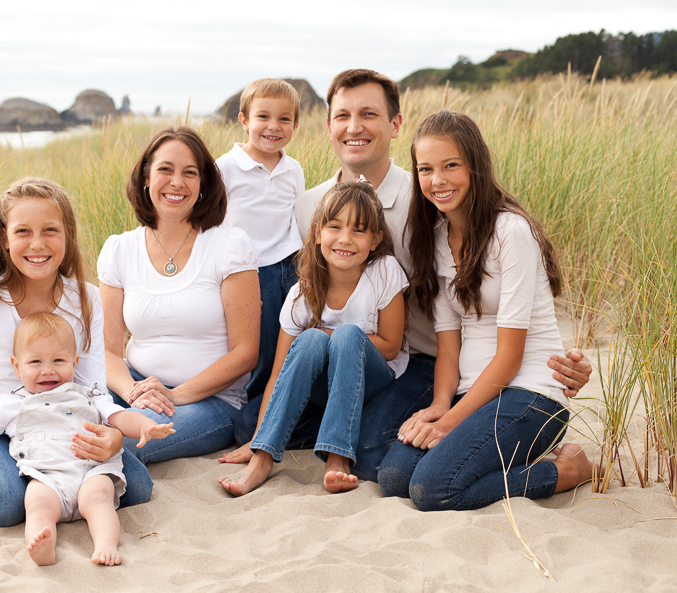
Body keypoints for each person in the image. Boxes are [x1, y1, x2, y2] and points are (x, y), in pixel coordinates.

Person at [227, 69, 593, 480]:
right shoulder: (309, 205)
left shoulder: (427, 204)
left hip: (417, 361)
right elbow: (299, 285)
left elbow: (496, 287)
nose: (354, 127)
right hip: (339, 356)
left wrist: (568, 362)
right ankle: (352, 425)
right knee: (246, 424)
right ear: (328, 126)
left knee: (374, 456)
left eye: (369, 114)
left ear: (395, 124)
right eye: (343, 115)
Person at [376, 110, 596, 510]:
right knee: (394, 478)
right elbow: (448, 345)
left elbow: (510, 356)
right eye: (425, 169)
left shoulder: (511, 232)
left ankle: (569, 471)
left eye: (451, 166)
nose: (437, 180)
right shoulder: (439, 237)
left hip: (530, 394)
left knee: (432, 490)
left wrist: (449, 422)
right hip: (472, 393)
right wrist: (441, 405)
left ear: (475, 166)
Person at [0, 177, 153, 529]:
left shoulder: (85, 299)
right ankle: (13, 477)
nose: (37, 244)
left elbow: (92, 387)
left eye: (50, 230)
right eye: (23, 231)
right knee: (5, 503)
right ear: (5, 240)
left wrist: (112, 434)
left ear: (67, 237)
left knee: (138, 489)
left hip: (56, 420)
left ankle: (44, 484)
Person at [0, 312, 174, 565]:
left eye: (58, 360)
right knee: (37, 504)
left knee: (99, 500)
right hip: (45, 476)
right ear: (17, 366)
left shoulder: (90, 395)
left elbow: (121, 417)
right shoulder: (7, 404)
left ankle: (105, 544)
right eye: (36, 362)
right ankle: (43, 546)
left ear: (74, 363)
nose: (47, 370)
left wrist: (146, 425)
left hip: (91, 471)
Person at [219, 181, 408, 496]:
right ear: (318, 232)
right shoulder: (301, 293)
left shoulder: (385, 271)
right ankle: (263, 458)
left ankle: (337, 457)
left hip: (375, 381)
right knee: (308, 343)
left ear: (375, 240)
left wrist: (331, 334)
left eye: (359, 231)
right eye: (335, 227)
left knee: (345, 336)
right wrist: (258, 435)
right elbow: (280, 372)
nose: (345, 239)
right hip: (323, 386)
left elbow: (389, 347)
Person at [87, 126, 261, 464]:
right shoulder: (119, 249)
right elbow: (107, 349)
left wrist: (174, 395)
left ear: (203, 185)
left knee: (121, 446)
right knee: (62, 416)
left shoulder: (229, 246)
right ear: (147, 179)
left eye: (190, 173)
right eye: (165, 169)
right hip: (134, 385)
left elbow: (245, 353)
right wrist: (133, 393)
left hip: (210, 401)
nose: (177, 182)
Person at [215, 78, 305, 400]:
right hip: (252, 269)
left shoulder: (293, 169)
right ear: (244, 120)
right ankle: (253, 403)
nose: (273, 126)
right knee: (262, 340)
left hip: (292, 264)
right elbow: (213, 223)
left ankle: (287, 397)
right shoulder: (225, 168)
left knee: (291, 334)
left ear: (295, 124)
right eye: (263, 117)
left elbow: (297, 215)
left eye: (284, 119)